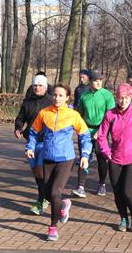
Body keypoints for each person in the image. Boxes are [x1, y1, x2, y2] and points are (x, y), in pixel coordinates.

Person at [24, 84, 92, 241]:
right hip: (47, 158)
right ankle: (63, 204)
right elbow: (33, 132)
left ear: (67, 97)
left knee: (55, 193)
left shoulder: (73, 115)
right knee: (47, 194)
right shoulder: (44, 113)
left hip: (65, 159)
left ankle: (52, 227)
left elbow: (85, 136)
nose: (57, 98)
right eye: (55, 95)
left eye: (61, 95)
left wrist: (85, 155)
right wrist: (30, 147)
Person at [97, 84, 132, 232]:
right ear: (116, 98)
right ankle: (123, 218)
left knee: (127, 191)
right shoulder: (110, 115)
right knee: (117, 193)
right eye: (121, 98)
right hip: (115, 159)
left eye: (127, 98)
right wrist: (106, 152)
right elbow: (101, 136)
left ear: (131, 98)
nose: (123, 101)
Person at [15, 74, 55, 214]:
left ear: (46, 87)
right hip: (31, 142)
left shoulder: (51, 101)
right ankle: (46, 196)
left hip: (46, 141)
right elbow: (20, 118)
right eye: (35, 85)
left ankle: (42, 199)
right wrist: (18, 128)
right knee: (37, 172)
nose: (37, 88)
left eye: (40, 85)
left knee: (41, 169)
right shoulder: (27, 102)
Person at [74, 69, 115, 197]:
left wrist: (101, 131)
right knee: (84, 156)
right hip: (86, 130)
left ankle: (102, 185)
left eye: (100, 80)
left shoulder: (107, 95)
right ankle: (80, 187)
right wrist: (80, 129)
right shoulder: (84, 96)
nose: (98, 83)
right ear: (90, 81)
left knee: (101, 158)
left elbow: (110, 116)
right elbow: (79, 114)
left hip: (101, 130)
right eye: (96, 80)